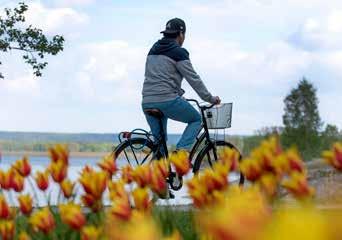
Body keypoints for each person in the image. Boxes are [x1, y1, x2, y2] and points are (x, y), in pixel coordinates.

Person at [142, 18, 220, 153]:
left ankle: (160, 171)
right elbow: (194, 80)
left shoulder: (153, 49)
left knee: (159, 147)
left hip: (147, 101)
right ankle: (181, 153)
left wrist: (177, 94)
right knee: (197, 120)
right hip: (166, 100)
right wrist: (210, 98)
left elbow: (159, 78)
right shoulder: (179, 52)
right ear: (181, 34)